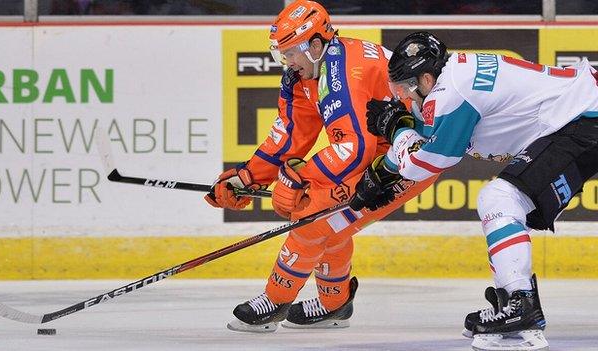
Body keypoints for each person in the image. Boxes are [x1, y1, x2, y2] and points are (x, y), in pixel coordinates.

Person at [351, 31, 598, 349]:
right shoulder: (455, 74)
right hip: (581, 114)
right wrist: (383, 171)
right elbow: (425, 140)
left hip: (583, 120)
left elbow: (430, 160)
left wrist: (396, 132)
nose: (406, 98)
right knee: (511, 203)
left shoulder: (453, 92)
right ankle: (513, 299)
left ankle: (521, 305)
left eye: (408, 88)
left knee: (500, 199)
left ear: (426, 77)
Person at [205, 1, 436, 332]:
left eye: (291, 52)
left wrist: (300, 179)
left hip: (415, 154)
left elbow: (353, 150)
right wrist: (248, 177)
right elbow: (290, 137)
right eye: (282, 53)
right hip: (383, 150)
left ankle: (276, 299)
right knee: (331, 219)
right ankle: (334, 303)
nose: (288, 61)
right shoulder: (308, 73)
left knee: (313, 217)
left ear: (315, 44)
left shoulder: (344, 74)